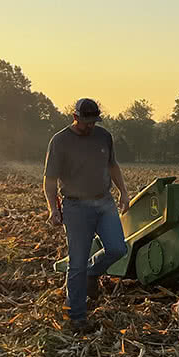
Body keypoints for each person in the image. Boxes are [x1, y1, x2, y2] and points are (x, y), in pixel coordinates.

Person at [43, 98, 130, 333]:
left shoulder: (104, 137)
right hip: (76, 207)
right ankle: (76, 315)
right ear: (75, 117)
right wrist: (53, 209)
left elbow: (112, 166)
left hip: (104, 202)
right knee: (77, 263)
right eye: (85, 122)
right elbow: (49, 180)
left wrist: (123, 191)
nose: (90, 126)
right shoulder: (60, 141)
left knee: (118, 249)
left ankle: (93, 272)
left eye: (93, 121)